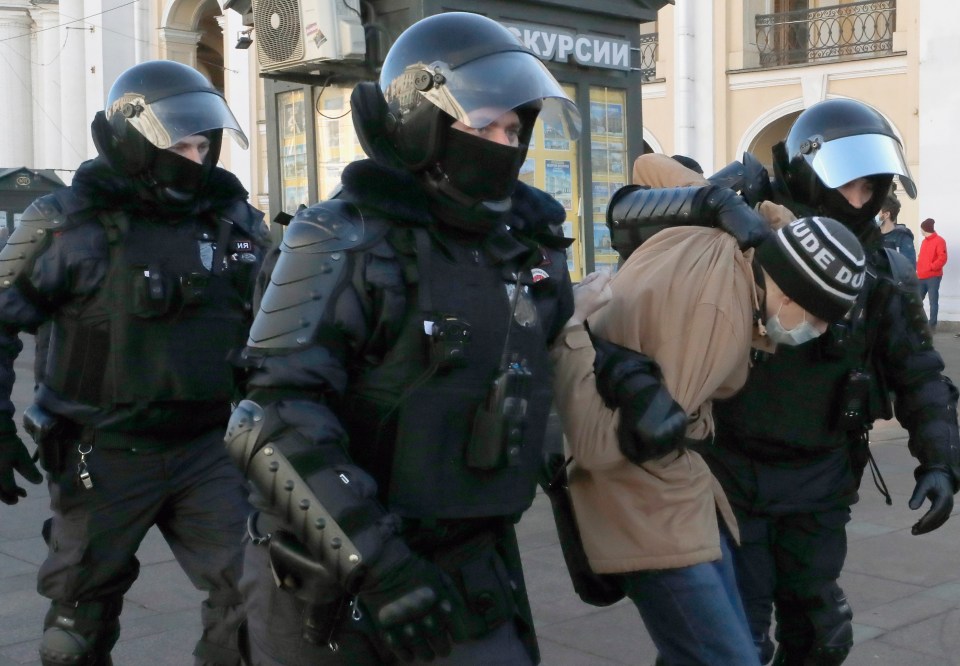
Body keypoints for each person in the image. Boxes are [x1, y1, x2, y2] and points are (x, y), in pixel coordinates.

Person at [224, 12, 579, 665]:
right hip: (335, 579)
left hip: (471, 560)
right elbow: (268, 423)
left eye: (513, 128)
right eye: (485, 125)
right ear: (424, 125)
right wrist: (377, 564)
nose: (504, 143)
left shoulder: (519, 251)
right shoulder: (338, 239)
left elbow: (553, 360)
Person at [589, 98, 960, 665]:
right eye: (855, 186)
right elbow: (627, 217)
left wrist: (940, 458)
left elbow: (919, 372)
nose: (864, 202)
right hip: (728, 470)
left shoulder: (881, 270)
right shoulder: (748, 227)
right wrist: (712, 197)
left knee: (819, 631)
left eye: (875, 190)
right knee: (736, 636)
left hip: (821, 476)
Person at [0, 60, 269, 665]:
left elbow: (287, 330)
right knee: (75, 627)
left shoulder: (234, 224)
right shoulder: (67, 223)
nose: (194, 157)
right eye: (179, 142)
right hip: (103, 450)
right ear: (135, 138)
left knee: (256, 598)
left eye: (203, 144)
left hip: (208, 449)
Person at [553, 160, 866, 665]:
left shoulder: (728, 239)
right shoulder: (718, 321)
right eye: (816, 316)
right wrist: (568, 336)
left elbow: (649, 167)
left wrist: (718, 201)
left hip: (683, 493)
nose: (818, 332)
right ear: (786, 291)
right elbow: (600, 445)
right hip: (649, 505)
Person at [917, 217, 947, 330]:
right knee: (917, 300)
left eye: (921, 229)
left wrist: (931, 267)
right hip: (921, 276)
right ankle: (922, 323)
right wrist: (918, 270)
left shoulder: (940, 241)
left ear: (925, 229)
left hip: (933, 277)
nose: (920, 231)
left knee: (933, 302)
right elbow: (922, 258)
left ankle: (932, 325)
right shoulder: (924, 241)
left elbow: (942, 258)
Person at [878, 194, 916, 266]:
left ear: (886, 215)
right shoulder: (871, 235)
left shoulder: (903, 238)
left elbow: (909, 269)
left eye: (876, 211)